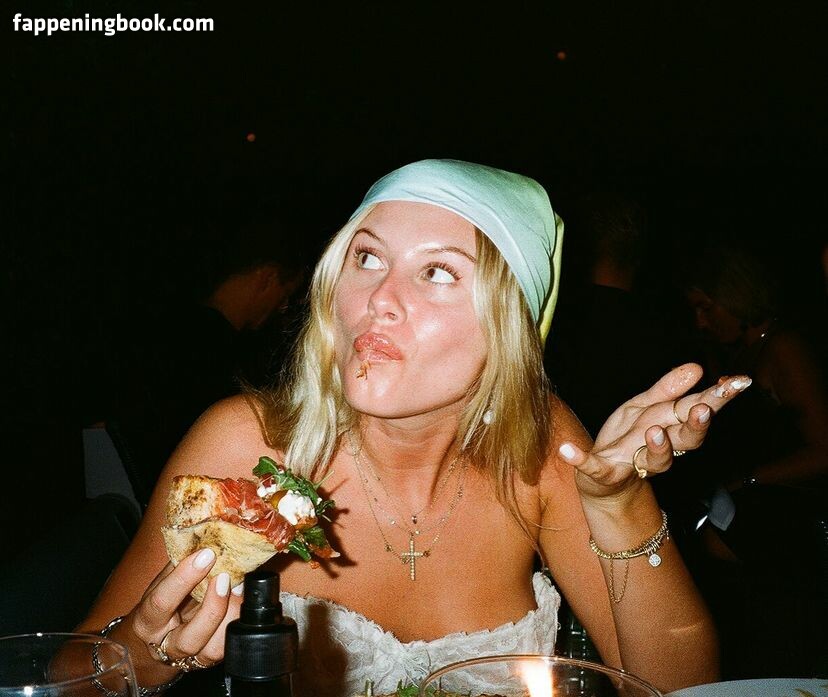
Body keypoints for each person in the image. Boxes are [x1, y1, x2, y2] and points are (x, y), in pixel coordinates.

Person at [77, 160, 752, 696]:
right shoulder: (247, 443)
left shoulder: (542, 445)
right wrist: (143, 654)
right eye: (367, 258)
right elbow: (68, 673)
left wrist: (620, 504)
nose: (378, 299)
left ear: (508, 327)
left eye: (436, 272)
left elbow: (679, 687)